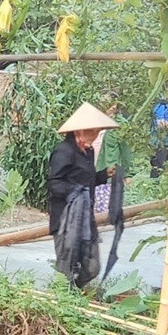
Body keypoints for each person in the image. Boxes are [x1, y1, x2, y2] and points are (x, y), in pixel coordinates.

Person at [48, 102, 117, 288]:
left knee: (92, 267)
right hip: (65, 220)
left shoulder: (88, 151)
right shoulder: (63, 151)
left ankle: (74, 292)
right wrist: (76, 192)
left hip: (86, 220)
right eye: (92, 132)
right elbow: (55, 184)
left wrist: (104, 175)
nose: (95, 137)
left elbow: (87, 180)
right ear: (80, 131)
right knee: (66, 268)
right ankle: (64, 300)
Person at [150, 98, 168, 178]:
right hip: (161, 144)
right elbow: (162, 124)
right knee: (159, 167)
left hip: (166, 143)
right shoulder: (162, 106)